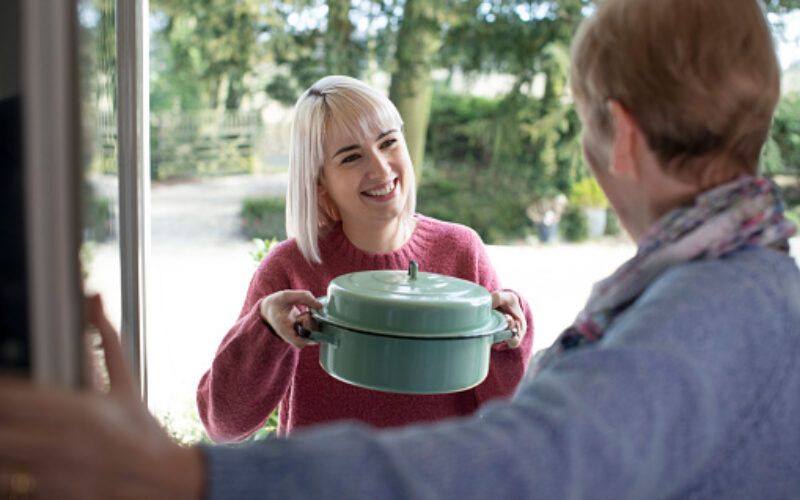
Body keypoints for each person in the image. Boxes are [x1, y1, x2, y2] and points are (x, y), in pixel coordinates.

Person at [1, 0, 799, 498]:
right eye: (351, 157)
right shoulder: (748, 286)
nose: (380, 168)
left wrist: (176, 477)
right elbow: (227, 416)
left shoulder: (704, 308)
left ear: (618, 135)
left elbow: (527, 457)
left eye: (584, 119)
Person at [196, 75, 534, 441]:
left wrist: (509, 335)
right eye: (352, 157)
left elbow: (509, 410)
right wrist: (264, 328)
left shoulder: (460, 251)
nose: (381, 168)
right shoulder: (289, 269)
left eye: (388, 142)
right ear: (320, 183)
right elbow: (224, 425)